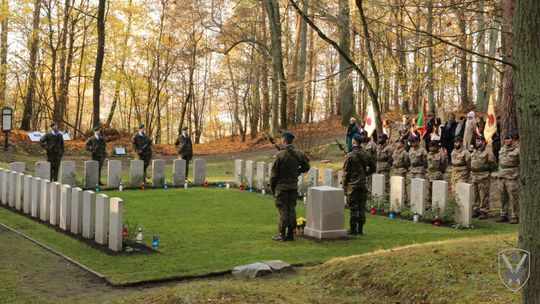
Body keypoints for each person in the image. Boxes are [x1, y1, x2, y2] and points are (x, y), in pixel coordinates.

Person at [270, 132, 310, 242]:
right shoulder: (299, 153)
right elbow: (306, 166)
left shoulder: (280, 155)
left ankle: (282, 235)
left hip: (281, 187)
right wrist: (297, 171)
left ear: (283, 140)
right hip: (293, 186)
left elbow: (274, 174)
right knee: (291, 210)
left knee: (283, 211)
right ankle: (291, 235)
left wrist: (272, 188)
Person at [343, 133, 375, 235]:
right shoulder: (366, 154)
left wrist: (344, 185)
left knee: (353, 208)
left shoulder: (350, 155)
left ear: (353, 141)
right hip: (362, 184)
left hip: (352, 184)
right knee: (361, 207)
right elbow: (373, 168)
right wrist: (365, 174)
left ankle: (353, 229)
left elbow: (346, 172)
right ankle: (360, 229)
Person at [470, 135, 497, 219]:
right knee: (476, 194)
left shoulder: (488, 152)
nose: (477, 143)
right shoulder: (474, 152)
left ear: (483, 142)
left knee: (484, 194)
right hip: (474, 175)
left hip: (483, 176)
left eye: (479, 141)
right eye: (477, 141)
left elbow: (493, 163)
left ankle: (484, 211)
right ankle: (476, 209)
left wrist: (487, 171)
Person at [497, 133, 520, 224]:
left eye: (509, 139)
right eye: (506, 139)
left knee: (513, 196)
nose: (507, 140)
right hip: (502, 176)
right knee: (503, 196)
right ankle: (503, 214)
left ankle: (514, 215)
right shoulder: (502, 149)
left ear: (513, 140)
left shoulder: (518, 150)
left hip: (512, 176)